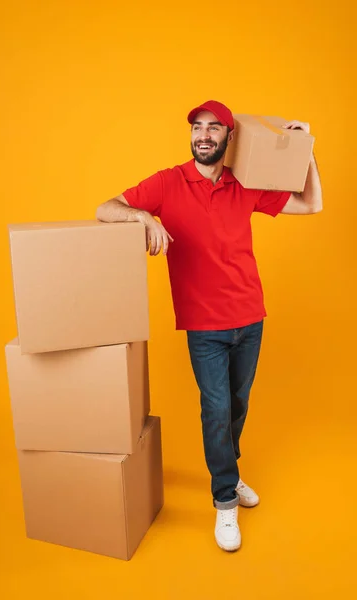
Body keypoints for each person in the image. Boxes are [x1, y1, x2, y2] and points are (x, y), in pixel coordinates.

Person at [96, 100, 323, 552]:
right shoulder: (168, 182)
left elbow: (311, 203)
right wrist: (142, 215)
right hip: (204, 327)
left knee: (237, 405)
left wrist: (306, 148)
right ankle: (224, 502)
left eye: (213, 128)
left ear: (228, 137)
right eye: (197, 127)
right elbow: (106, 208)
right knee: (216, 410)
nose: (203, 135)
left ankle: (230, 474)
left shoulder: (247, 183)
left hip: (250, 317)